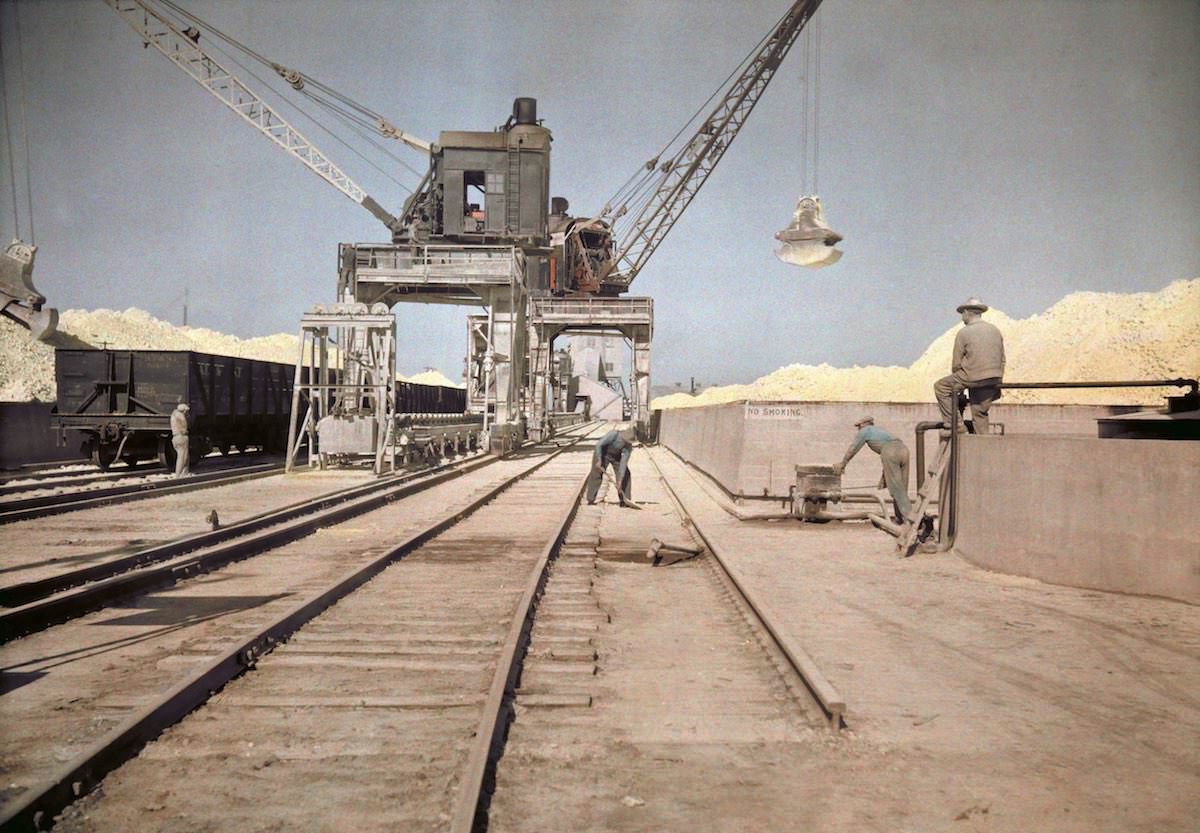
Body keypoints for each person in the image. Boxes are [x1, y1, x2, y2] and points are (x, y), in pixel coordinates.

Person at [933, 297, 1005, 435]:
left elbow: (956, 363)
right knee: (980, 412)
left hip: (972, 376)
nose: (962, 318)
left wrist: (958, 387)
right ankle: (983, 445)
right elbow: (1002, 358)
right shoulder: (995, 330)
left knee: (941, 387)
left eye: (962, 314)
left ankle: (956, 425)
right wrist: (998, 378)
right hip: (994, 376)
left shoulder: (964, 332)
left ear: (967, 312)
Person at [832, 416, 912, 524]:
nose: (858, 429)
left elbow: (853, 448)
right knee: (902, 488)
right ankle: (901, 519)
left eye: (859, 426)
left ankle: (911, 520)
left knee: (896, 489)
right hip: (904, 449)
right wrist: (884, 477)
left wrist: (843, 464)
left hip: (890, 451)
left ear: (865, 424)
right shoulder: (880, 431)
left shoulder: (866, 431)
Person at [586, 425, 636, 507]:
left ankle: (625, 500)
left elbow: (623, 463)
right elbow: (598, 445)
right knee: (596, 474)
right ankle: (591, 499)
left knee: (626, 474)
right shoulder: (613, 434)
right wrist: (599, 460)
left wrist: (620, 480)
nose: (626, 443)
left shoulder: (628, 446)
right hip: (602, 453)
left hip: (616, 456)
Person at [170, 401, 191, 478]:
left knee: (183, 456)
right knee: (182, 457)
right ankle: (178, 475)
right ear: (183, 410)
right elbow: (184, 428)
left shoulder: (173, 415)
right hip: (181, 437)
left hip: (175, 437)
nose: (187, 412)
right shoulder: (181, 417)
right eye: (186, 411)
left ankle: (184, 473)